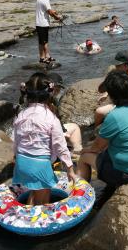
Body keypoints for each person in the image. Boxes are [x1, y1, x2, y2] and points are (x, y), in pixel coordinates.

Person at [77, 71, 128, 188]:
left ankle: (80, 194)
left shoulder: (115, 116)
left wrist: (85, 150)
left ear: (112, 95)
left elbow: (97, 147)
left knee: (84, 157)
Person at [12, 73, 77, 205]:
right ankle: (37, 223)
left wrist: (16, 158)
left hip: (22, 163)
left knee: (34, 190)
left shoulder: (21, 116)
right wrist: (69, 168)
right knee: (43, 197)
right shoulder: (51, 118)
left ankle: (27, 216)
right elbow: (60, 146)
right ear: (50, 94)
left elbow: (16, 142)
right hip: (40, 166)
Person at [46, 73, 82, 154]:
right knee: (74, 129)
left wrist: (63, 130)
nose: (57, 91)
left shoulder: (51, 100)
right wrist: (61, 133)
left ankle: (77, 151)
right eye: (56, 88)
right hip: (46, 137)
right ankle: (76, 153)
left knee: (74, 126)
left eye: (59, 88)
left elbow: (57, 119)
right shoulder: (48, 103)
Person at [36, 0, 63, 64]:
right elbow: (49, 11)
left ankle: (46, 56)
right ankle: (43, 58)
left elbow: (45, 10)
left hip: (40, 23)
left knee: (42, 41)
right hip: (42, 23)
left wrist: (53, 12)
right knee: (44, 42)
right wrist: (56, 17)